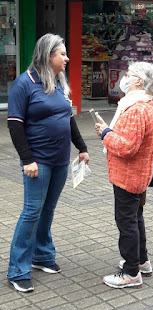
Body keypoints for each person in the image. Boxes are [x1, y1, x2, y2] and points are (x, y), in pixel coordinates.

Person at [7, 33, 89, 292]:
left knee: (48, 210)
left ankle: (41, 256)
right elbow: (15, 124)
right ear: (47, 55)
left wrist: (82, 148)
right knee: (32, 212)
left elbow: (69, 118)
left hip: (60, 161)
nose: (67, 58)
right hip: (37, 162)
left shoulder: (59, 82)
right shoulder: (24, 84)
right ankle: (17, 269)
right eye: (62, 53)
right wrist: (27, 159)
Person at [95, 61, 153, 289]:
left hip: (129, 176)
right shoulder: (145, 105)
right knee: (135, 218)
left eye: (129, 74)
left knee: (127, 222)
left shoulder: (137, 108)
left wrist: (105, 133)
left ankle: (131, 272)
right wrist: (110, 130)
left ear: (138, 81)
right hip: (138, 175)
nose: (124, 76)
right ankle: (141, 262)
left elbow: (127, 147)